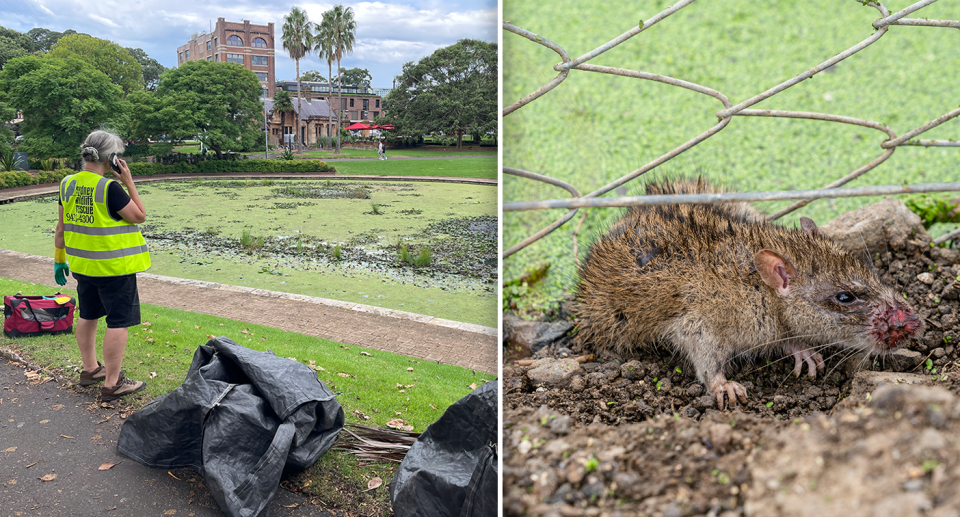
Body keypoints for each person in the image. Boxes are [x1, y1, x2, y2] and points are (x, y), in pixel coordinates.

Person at [54, 129, 149, 401]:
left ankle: (89, 370)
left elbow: (60, 228)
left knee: (88, 315)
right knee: (118, 321)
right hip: (113, 269)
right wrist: (129, 181)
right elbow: (140, 216)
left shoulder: (67, 184)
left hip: (82, 266)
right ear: (113, 158)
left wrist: (59, 260)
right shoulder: (110, 188)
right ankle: (112, 383)